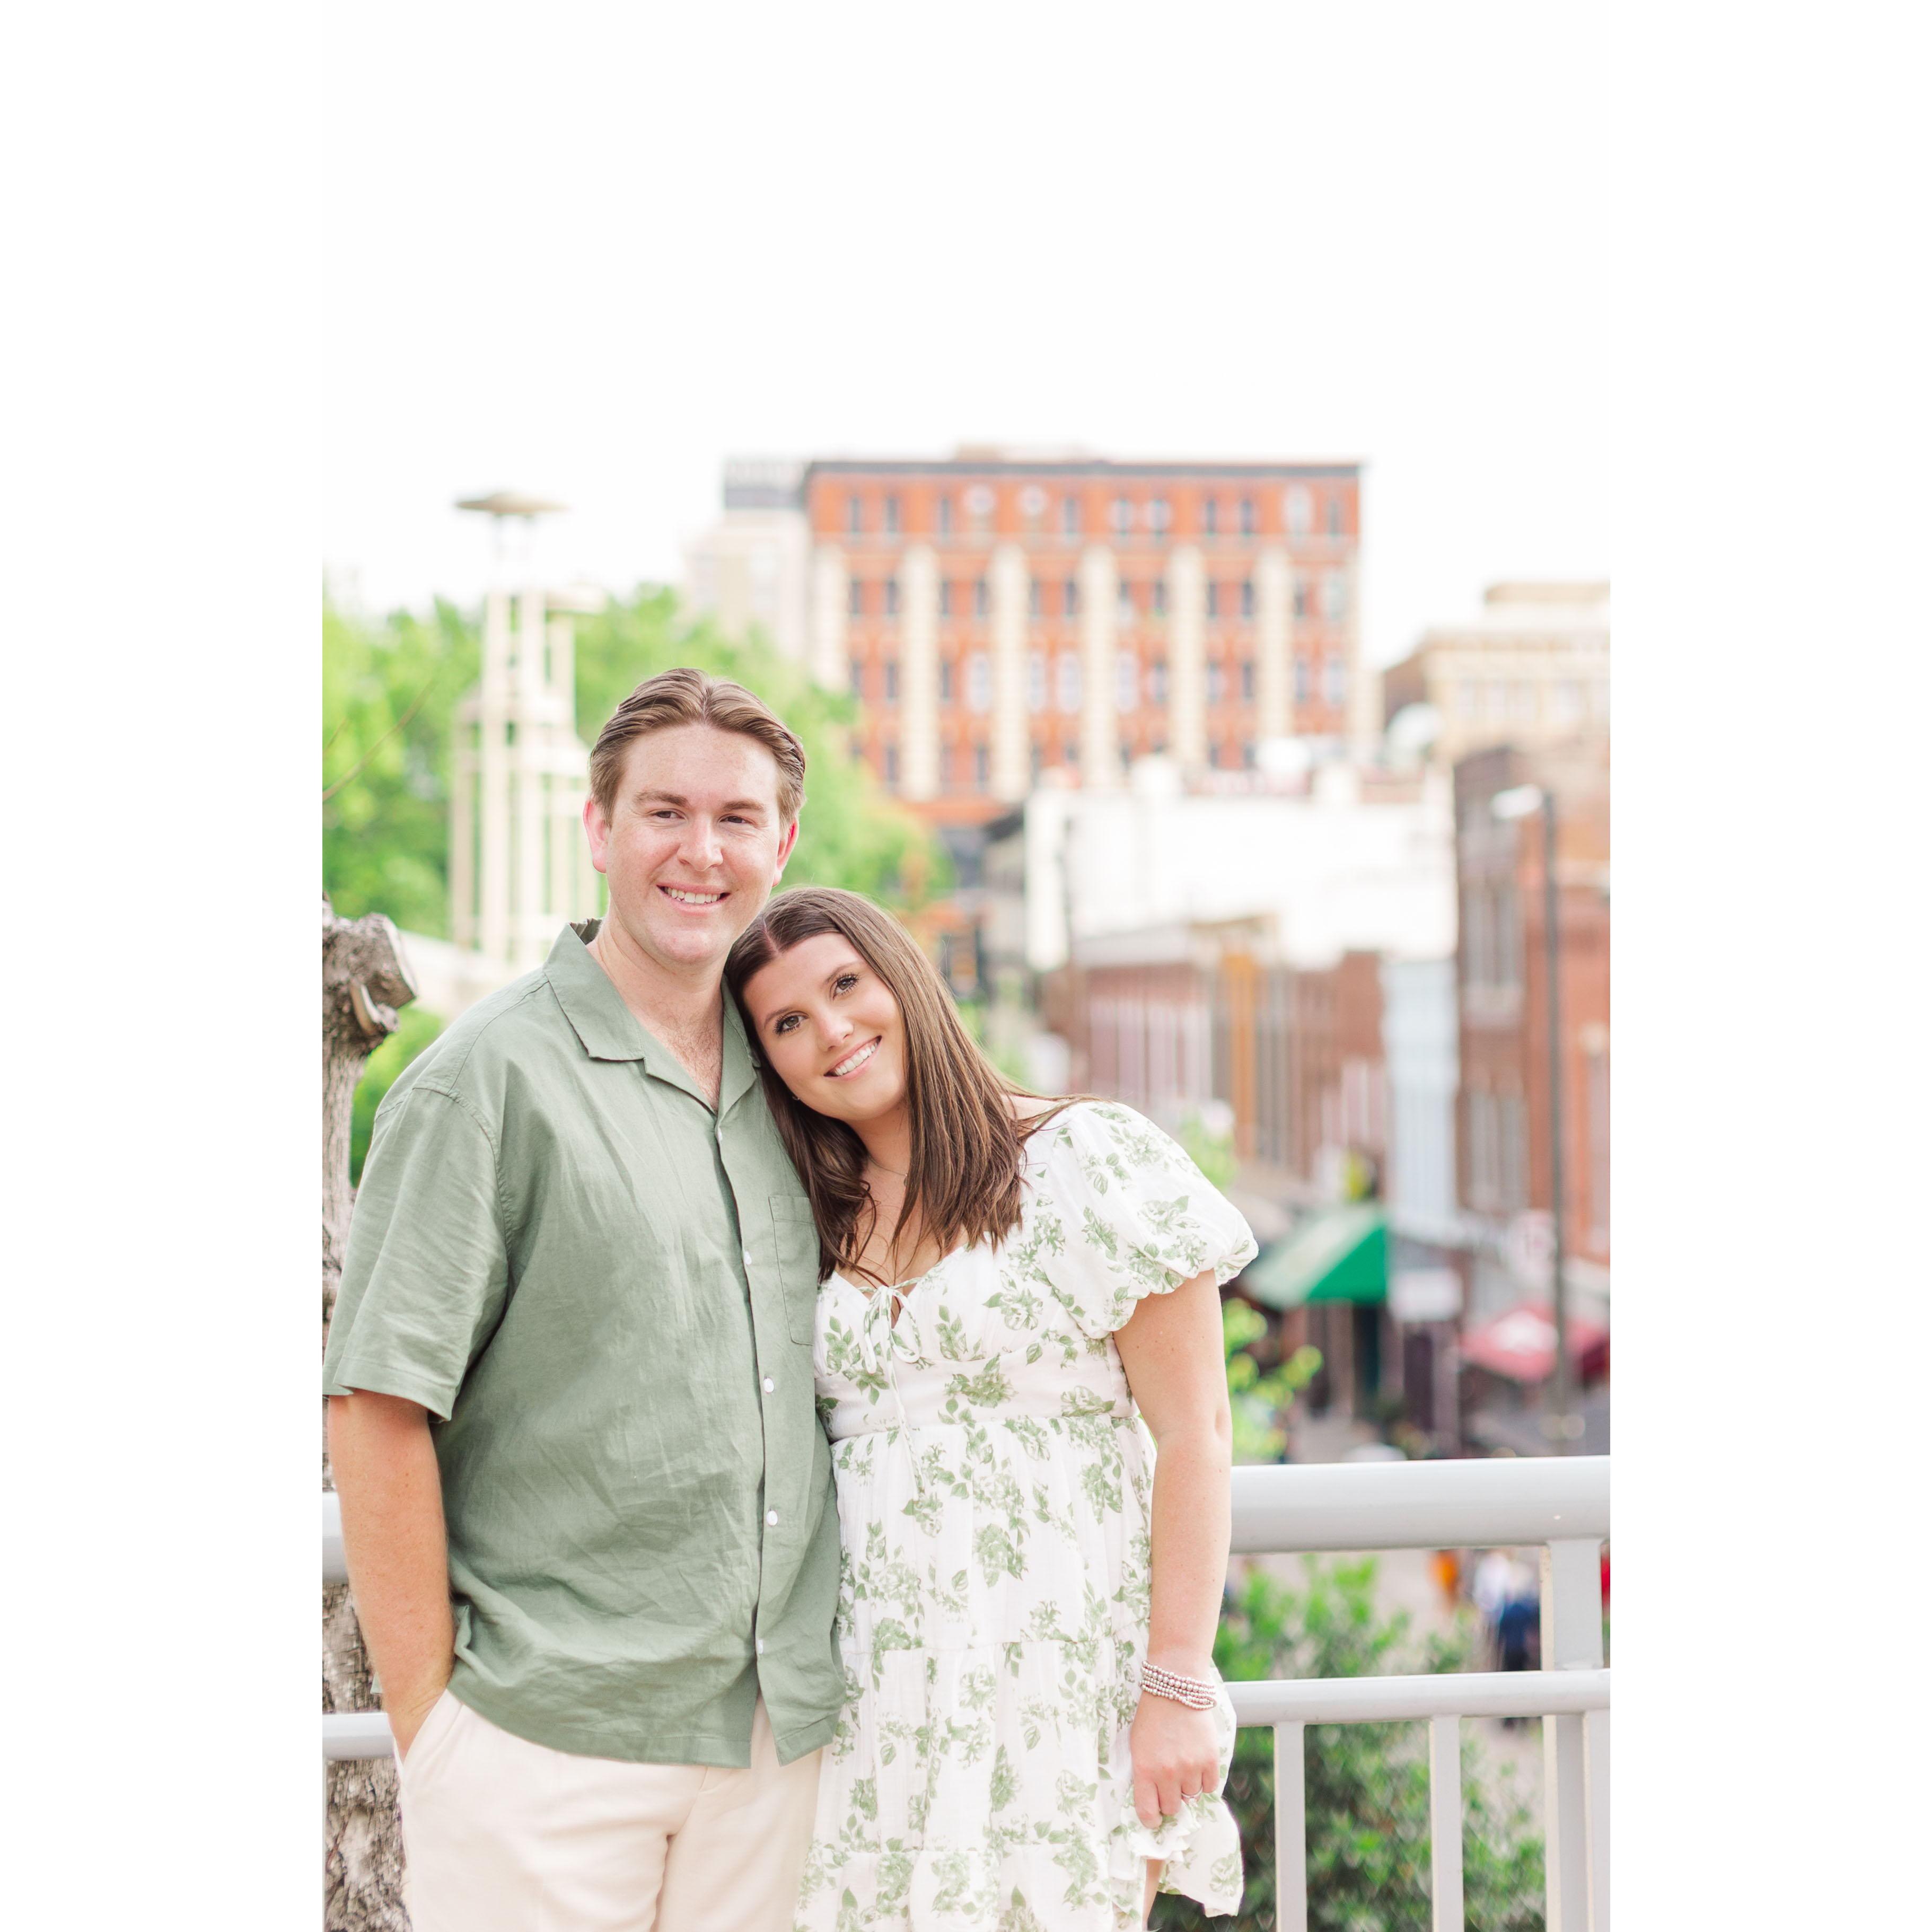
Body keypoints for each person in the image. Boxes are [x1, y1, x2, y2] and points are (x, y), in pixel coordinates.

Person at [323, 669, 842, 1932]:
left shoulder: (800, 1078)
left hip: (775, 1747)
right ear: (600, 827)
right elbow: (375, 1406)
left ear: (780, 844)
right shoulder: (484, 1080)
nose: (700, 851)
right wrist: (433, 1730)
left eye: (736, 819)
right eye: (665, 812)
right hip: (542, 1752)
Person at [725, 887, 1257, 1931]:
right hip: (872, 1691)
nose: (830, 1029)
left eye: (846, 984)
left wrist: (1178, 1679)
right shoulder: (799, 1215)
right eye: (786, 1022)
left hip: (1061, 1668)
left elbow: (1196, 1434)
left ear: (904, 980)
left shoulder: (1085, 1159)